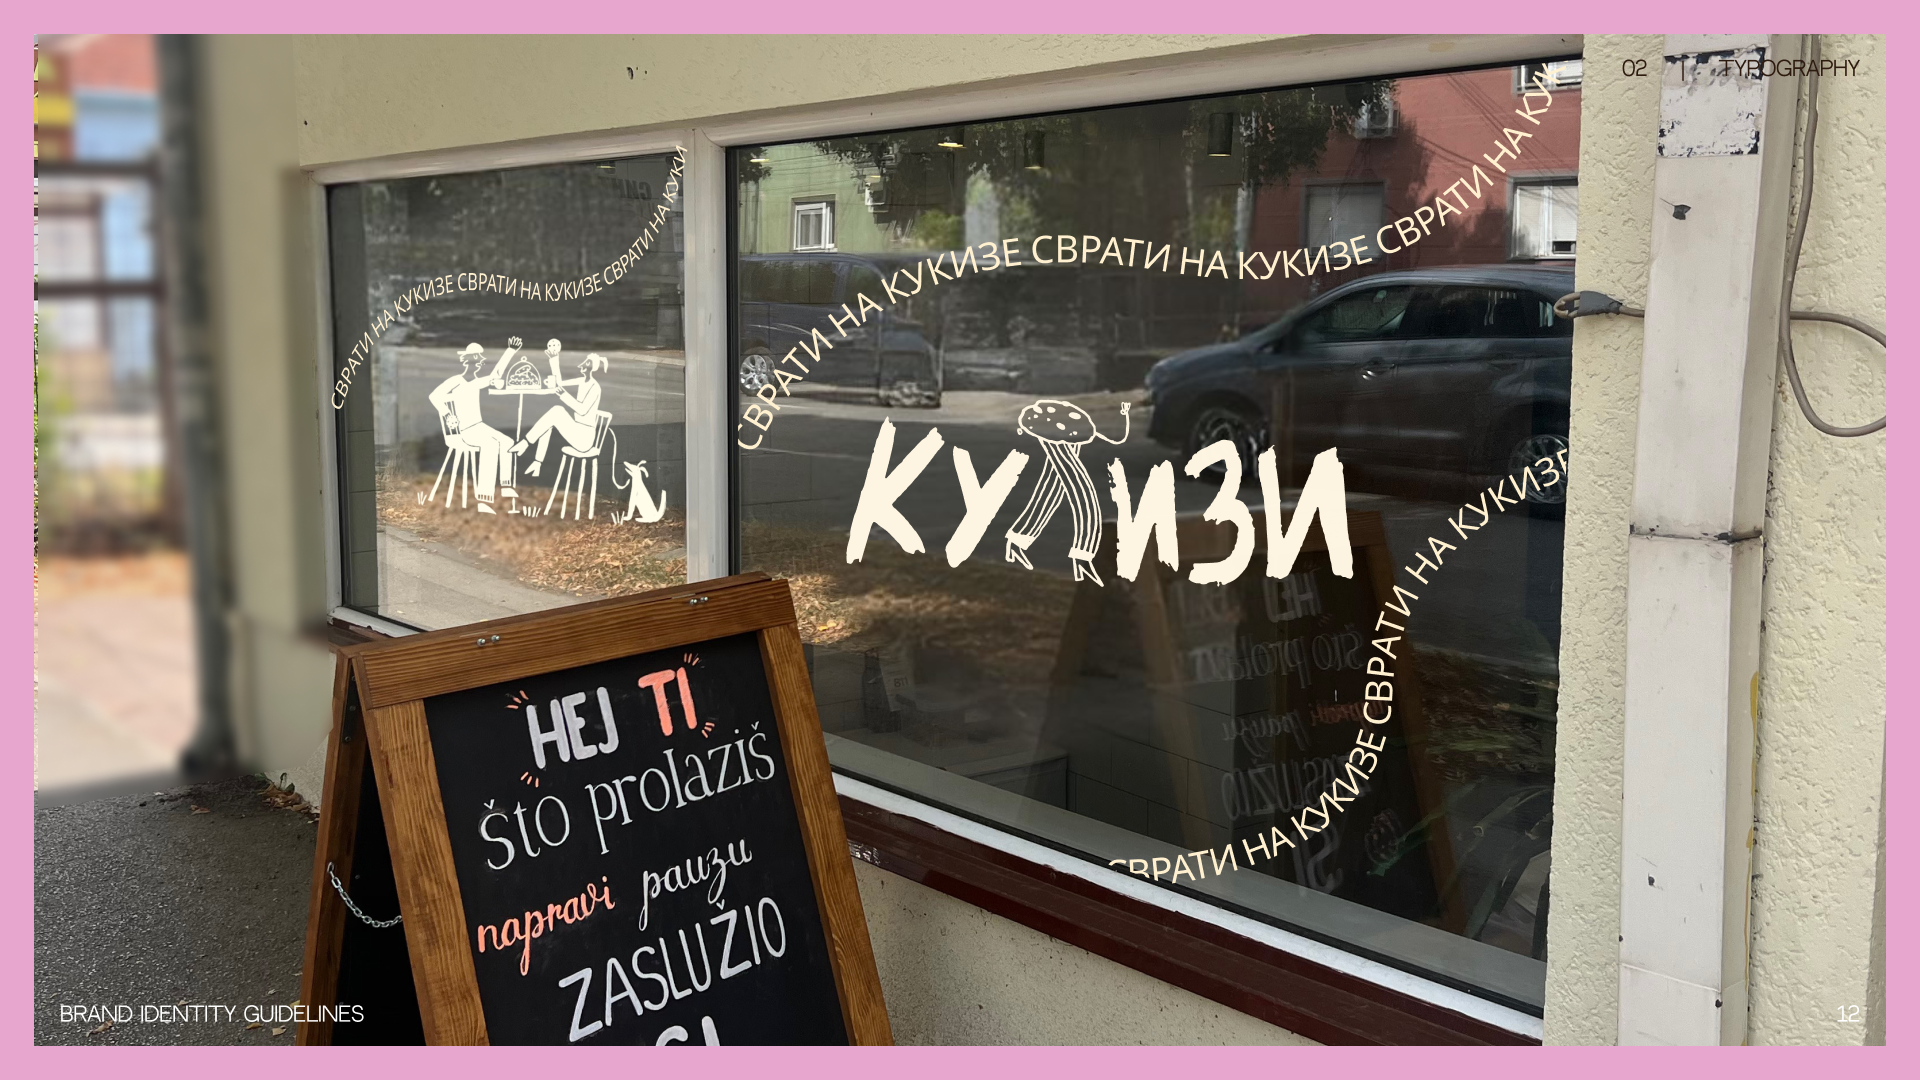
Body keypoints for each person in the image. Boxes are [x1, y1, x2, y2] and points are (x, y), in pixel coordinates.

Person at [427, 336, 521, 514]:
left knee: (507, 442)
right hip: (463, 431)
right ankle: (484, 499)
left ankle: (507, 484)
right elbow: (435, 396)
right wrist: (448, 415)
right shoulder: (456, 381)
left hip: (478, 426)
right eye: (475, 360)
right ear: (467, 361)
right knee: (491, 445)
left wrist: (510, 351)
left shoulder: (476, 381)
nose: (478, 363)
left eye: (479, 360)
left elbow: (496, 375)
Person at [514, 350, 608, 477]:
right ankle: (537, 463)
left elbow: (582, 410)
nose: (582, 364)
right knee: (547, 423)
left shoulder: (595, 388)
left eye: (585, 363)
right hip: (577, 430)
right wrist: (554, 359)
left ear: (591, 367)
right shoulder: (582, 381)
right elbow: (559, 383)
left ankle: (525, 443)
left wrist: (563, 394)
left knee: (557, 411)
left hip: (584, 439)